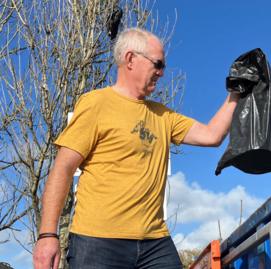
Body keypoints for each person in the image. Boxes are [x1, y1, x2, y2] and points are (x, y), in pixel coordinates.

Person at [33, 27, 239, 269]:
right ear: (131, 59)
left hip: (155, 243)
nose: (162, 73)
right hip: (98, 242)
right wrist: (48, 236)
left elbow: (211, 135)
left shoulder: (164, 116)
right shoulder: (95, 104)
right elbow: (63, 169)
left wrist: (236, 91)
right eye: (158, 64)